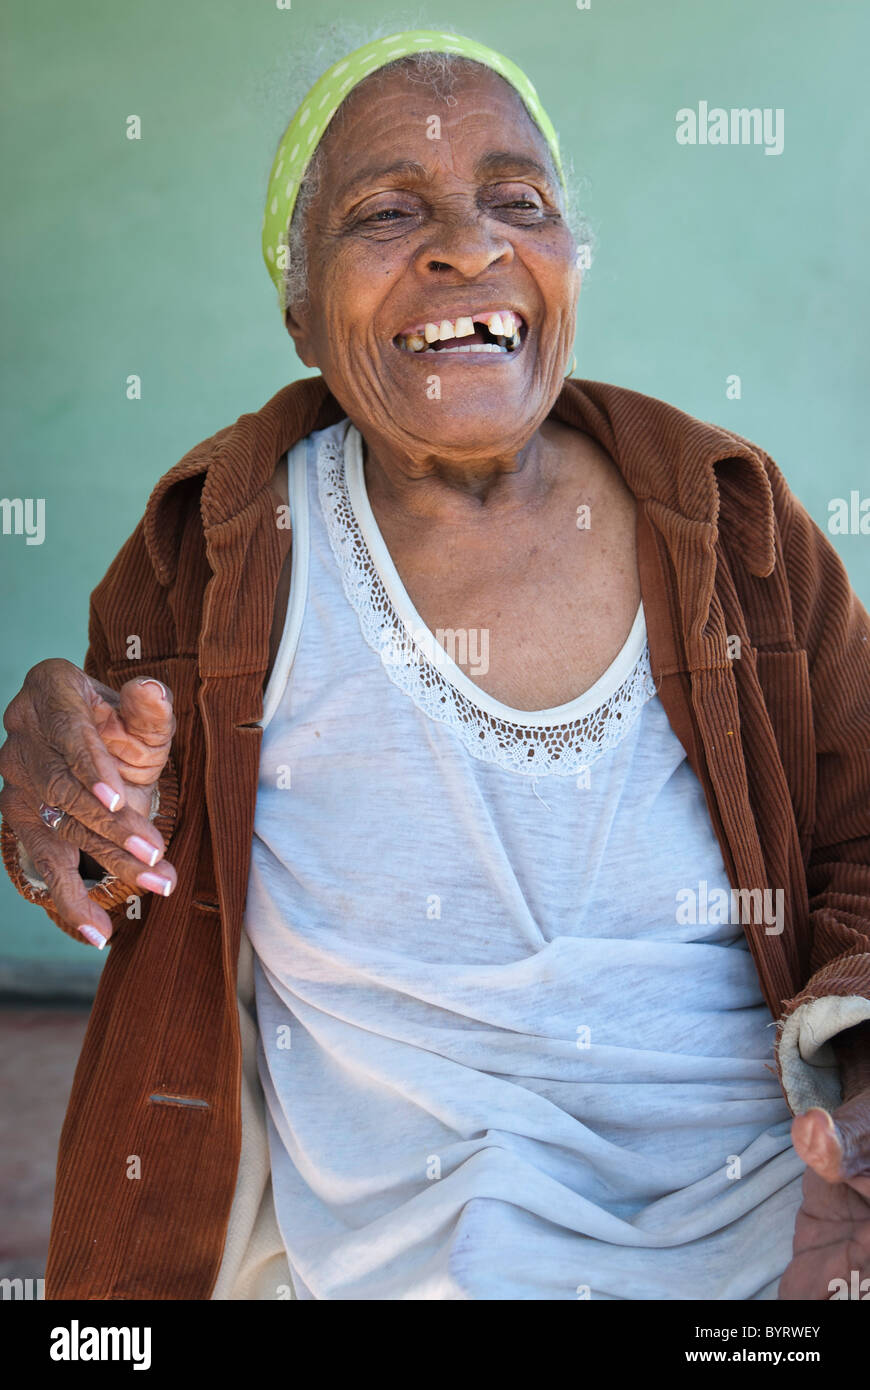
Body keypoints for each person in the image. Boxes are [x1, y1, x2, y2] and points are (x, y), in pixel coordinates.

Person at [1, 28, 869, 1301]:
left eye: (520, 200)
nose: (470, 243)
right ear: (300, 309)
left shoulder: (729, 521)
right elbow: (125, 832)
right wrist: (63, 791)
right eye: (385, 211)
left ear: (571, 262)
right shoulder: (225, 548)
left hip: (765, 1251)